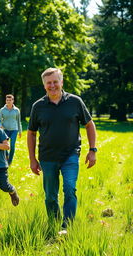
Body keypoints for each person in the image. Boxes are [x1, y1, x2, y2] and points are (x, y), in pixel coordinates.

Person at [27, 68, 97, 230]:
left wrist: (92, 150)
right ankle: (54, 223)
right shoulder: (38, 106)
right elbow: (31, 133)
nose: (52, 85)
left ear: (61, 82)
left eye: (55, 82)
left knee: (70, 188)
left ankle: (67, 225)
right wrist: (32, 159)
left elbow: (89, 124)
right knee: (51, 196)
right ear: (44, 85)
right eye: (48, 83)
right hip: (47, 157)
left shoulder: (75, 101)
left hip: (70, 155)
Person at [0, 94, 22, 165]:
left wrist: (20, 131)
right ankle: (6, 156)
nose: (9, 101)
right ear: (6, 101)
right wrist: (0, 126)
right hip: (5, 130)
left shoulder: (17, 110)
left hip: (14, 130)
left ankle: (10, 161)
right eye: (7, 100)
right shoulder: (2, 110)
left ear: (13, 101)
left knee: (12, 146)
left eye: (10, 100)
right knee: (5, 145)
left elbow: (18, 121)